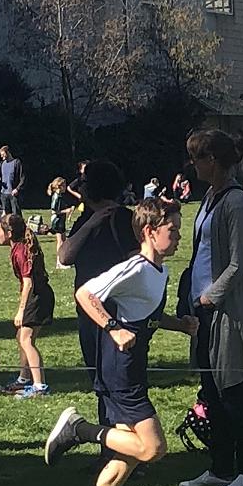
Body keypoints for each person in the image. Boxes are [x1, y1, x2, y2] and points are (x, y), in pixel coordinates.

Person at [43, 198, 197, 486]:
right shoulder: (135, 267)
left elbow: (145, 314)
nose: (178, 236)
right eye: (172, 230)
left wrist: (179, 325)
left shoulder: (158, 270)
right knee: (153, 448)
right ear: (149, 232)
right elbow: (85, 294)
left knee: (129, 451)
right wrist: (113, 327)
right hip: (120, 370)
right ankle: (79, 430)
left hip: (133, 366)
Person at [177, 129, 243, 486]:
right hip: (201, 308)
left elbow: (237, 264)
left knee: (233, 389)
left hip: (225, 309)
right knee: (210, 390)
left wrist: (211, 297)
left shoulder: (236, 200)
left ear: (212, 160)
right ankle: (221, 467)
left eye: (196, 157)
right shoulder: (209, 197)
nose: (192, 165)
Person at [58, 160, 138, 424]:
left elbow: (136, 260)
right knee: (99, 381)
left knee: (119, 381)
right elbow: (65, 256)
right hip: (88, 311)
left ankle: (119, 438)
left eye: (85, 182)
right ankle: (110, 438)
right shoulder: (85, 219)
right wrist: (92, 222)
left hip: (118, 312)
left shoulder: (124, 219)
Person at [0, 212, 55, 399]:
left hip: (38, 297)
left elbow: (28, 283)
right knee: (21, 336)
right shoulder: (18, 248)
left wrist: (21, 311)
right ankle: (23, 379)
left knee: (26, 340)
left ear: (9, 233)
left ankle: (39, 386)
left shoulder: (21, 250)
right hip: (37, 296)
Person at [47, 177, 75, 250]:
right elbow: (54, 211)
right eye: (64, 186)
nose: (65, 187)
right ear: (59, 186)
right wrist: (66, 211)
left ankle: (62, 254)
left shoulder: (60, 196)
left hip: (61, 220)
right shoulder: (56, 197)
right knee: (60, 241)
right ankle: (59, 256)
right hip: (57, 220)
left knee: (64, 240)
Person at [0, 145, 25, 216]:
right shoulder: (1, 164)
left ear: (8, 153)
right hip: (4, 193)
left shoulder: (16, 162)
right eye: (1, 155)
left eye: (3, 154)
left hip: (13, 193)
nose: (2, 156)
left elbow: (22, 178)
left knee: (16, 215)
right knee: (6, 215)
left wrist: (17, 189)